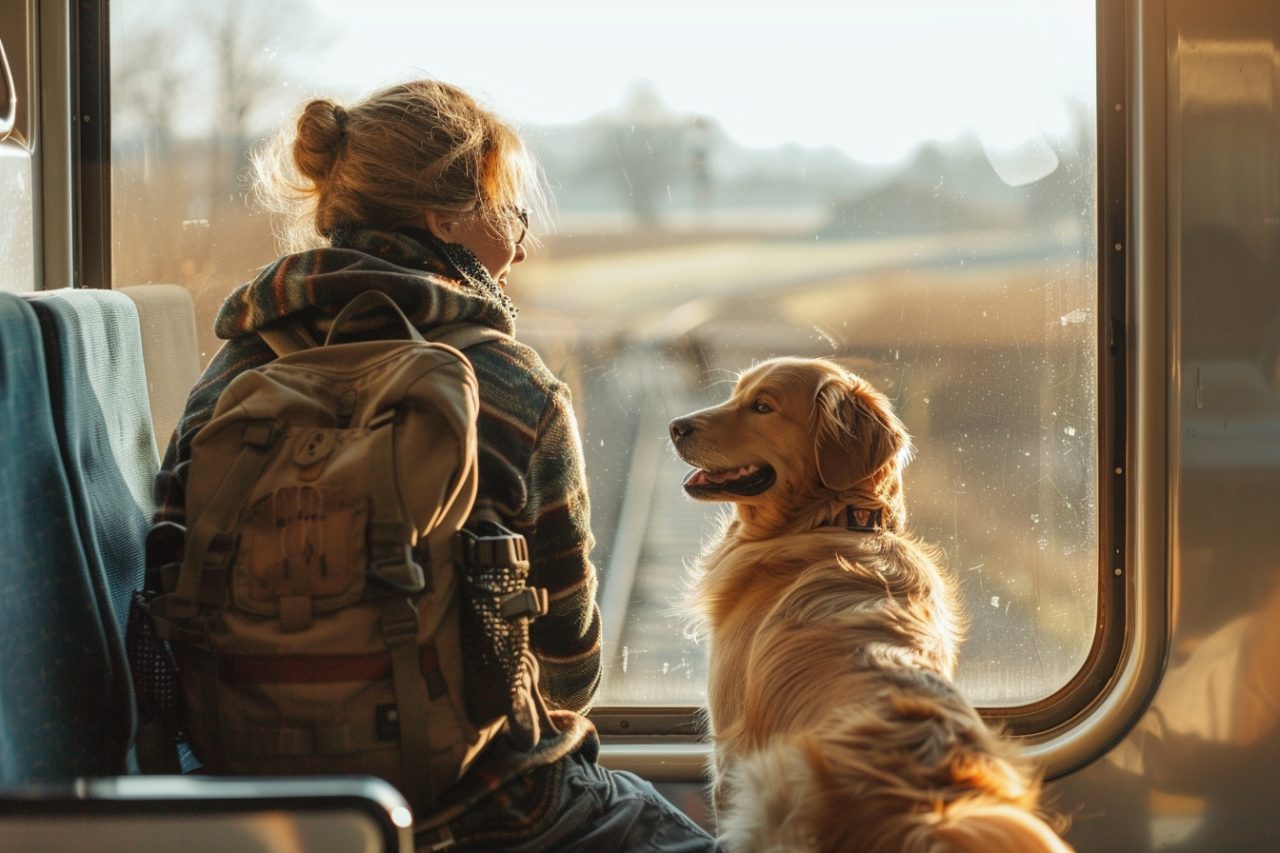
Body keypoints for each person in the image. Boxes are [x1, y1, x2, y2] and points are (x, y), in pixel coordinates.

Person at [146, 79, 719, 852]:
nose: (520, 244)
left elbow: (167, 583)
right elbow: (569, 672)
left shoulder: (233, 371)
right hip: (492, 811)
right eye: (509, 210)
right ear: (444, 216)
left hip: (254, 802)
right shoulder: (512, 387)